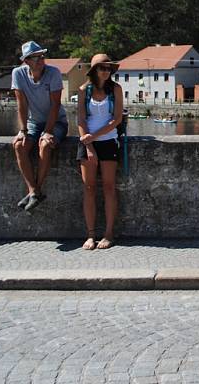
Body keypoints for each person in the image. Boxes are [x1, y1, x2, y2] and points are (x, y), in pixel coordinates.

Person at [11, 41, 69, 212]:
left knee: (45, 145)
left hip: (56, 121)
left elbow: (55, 104)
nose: (40, 60)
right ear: (26, 61)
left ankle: (36, 191)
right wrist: (22, 130)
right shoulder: (18, 74)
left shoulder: (53, 73)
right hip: (33, 122)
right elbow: (21, 105)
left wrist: (48, 131)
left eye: (42, 56)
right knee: (19, 146)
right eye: (35, 57)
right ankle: (33, 191)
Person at [76, 54, 123, 250]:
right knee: (89, 189)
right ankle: (90, 235)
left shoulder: (115, 89)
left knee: (109, 187)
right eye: (102, 67)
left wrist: (93, 137)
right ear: (94, 70)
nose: (106, 71)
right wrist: (88, 144)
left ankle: (109, 233)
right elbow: (80, 118)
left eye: (108, 68)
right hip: (87, 142)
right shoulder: (83, 90)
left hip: (108, 141)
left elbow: (117, 119)